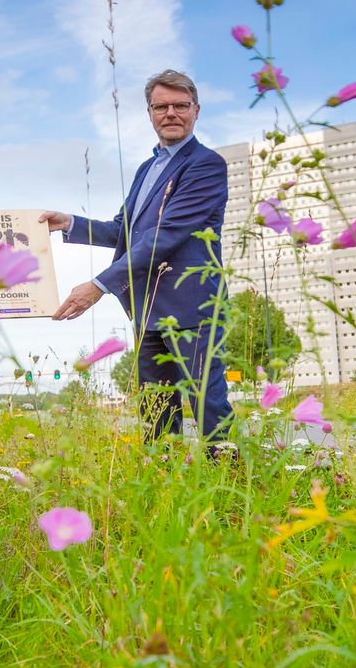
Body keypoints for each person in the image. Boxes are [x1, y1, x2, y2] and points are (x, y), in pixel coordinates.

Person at [39, 69, 233, 443]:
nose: (171, 113)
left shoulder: (205, 165)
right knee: (156, 413)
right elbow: (124, 232)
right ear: (149, 113)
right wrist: (69, 223)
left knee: (209, 410)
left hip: (193, 310)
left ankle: (232, 490)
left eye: (180, 105)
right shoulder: (148, 168)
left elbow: (166, 236)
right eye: (161, 106)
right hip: (148, 312)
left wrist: (99, 285)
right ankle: (165, 485)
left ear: (197, 111)